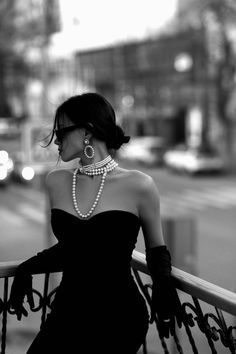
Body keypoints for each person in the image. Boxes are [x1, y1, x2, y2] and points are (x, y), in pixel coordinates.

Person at [9, 92, 184, 353]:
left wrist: (164, 292)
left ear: (87, 131)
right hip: (67, 313)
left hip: (119, 319)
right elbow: (74, 249)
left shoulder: (139, 184)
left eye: (62, 131)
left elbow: (156, 252)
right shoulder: (56, 182)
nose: (56, 140)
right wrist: (26, 269)